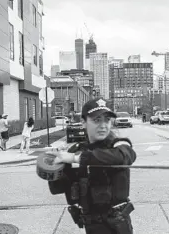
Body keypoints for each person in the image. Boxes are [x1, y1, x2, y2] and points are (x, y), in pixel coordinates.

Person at [47, 97, 137, 234]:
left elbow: (125, 156)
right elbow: (58, 188)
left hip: (117, 226)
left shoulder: (118, 145)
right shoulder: (76, 150)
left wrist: (77, 158)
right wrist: (52, 168)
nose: (103, 125)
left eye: (107, 120)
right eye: (97, 120)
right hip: (91, 226)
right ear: (83, 122)